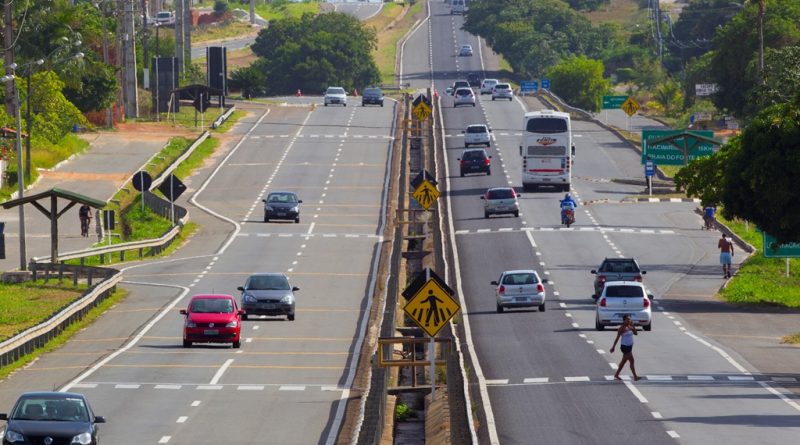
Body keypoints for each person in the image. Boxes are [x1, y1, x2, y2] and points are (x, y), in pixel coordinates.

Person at [610, 314, 640, 381]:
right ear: (624, 320)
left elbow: (636, 333)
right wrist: (613, 347)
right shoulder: (622, 328)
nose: (629, 320)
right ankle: (635, 376)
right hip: (625, 347)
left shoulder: (630, 326)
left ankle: (616, 374)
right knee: (631, 360)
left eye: (630, 319)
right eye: (627, 319)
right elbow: (617, 338)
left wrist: (633, 327)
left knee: (624, 361)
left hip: (630, 346)